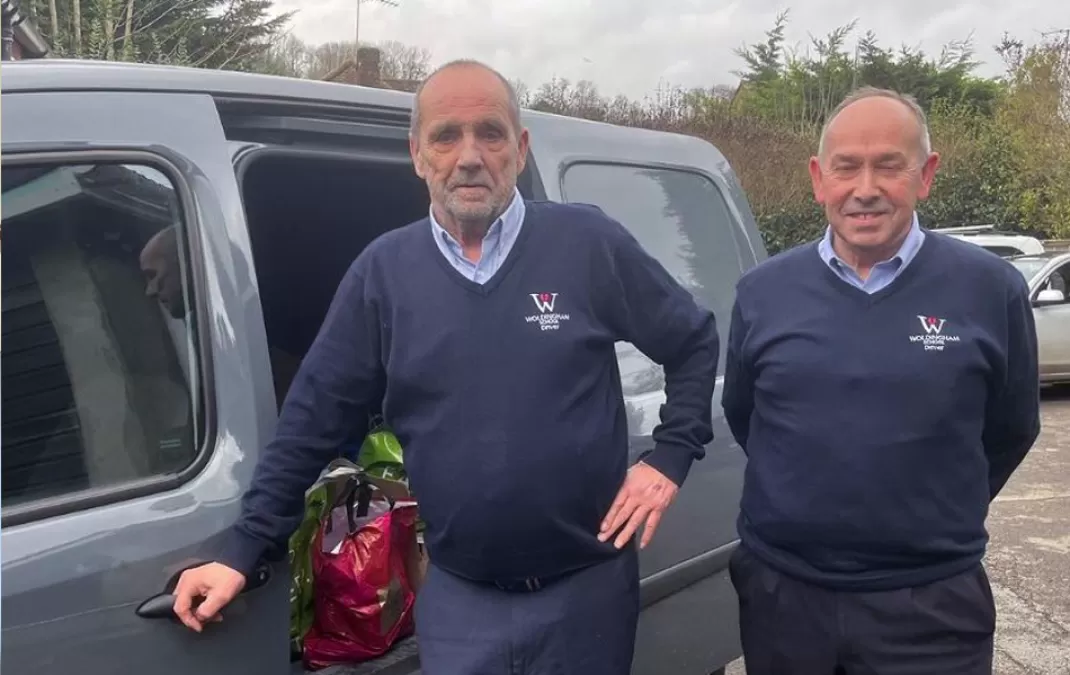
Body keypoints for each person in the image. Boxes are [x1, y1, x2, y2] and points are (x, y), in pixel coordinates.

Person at [170, 59, 721, 675]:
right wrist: (244, 548)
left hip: (586, 593)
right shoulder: (384, 274)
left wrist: (670, 457)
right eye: (446, 137)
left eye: (490, 133)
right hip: (461, 602)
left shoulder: (586, 243)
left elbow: (694, 341)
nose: (469, 157)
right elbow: (312, 418)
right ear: (417, 154)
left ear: (520, 148)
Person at [721, 86, 1041, 675]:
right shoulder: (763, 292)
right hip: (784, 601)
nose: (864, 188)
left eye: (889, 166)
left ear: (926, 175)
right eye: (846, 167)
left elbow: (1012, 427)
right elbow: (748, 417)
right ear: (819, 179)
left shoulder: (990, 289)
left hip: (932, 607)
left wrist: (926, 508)